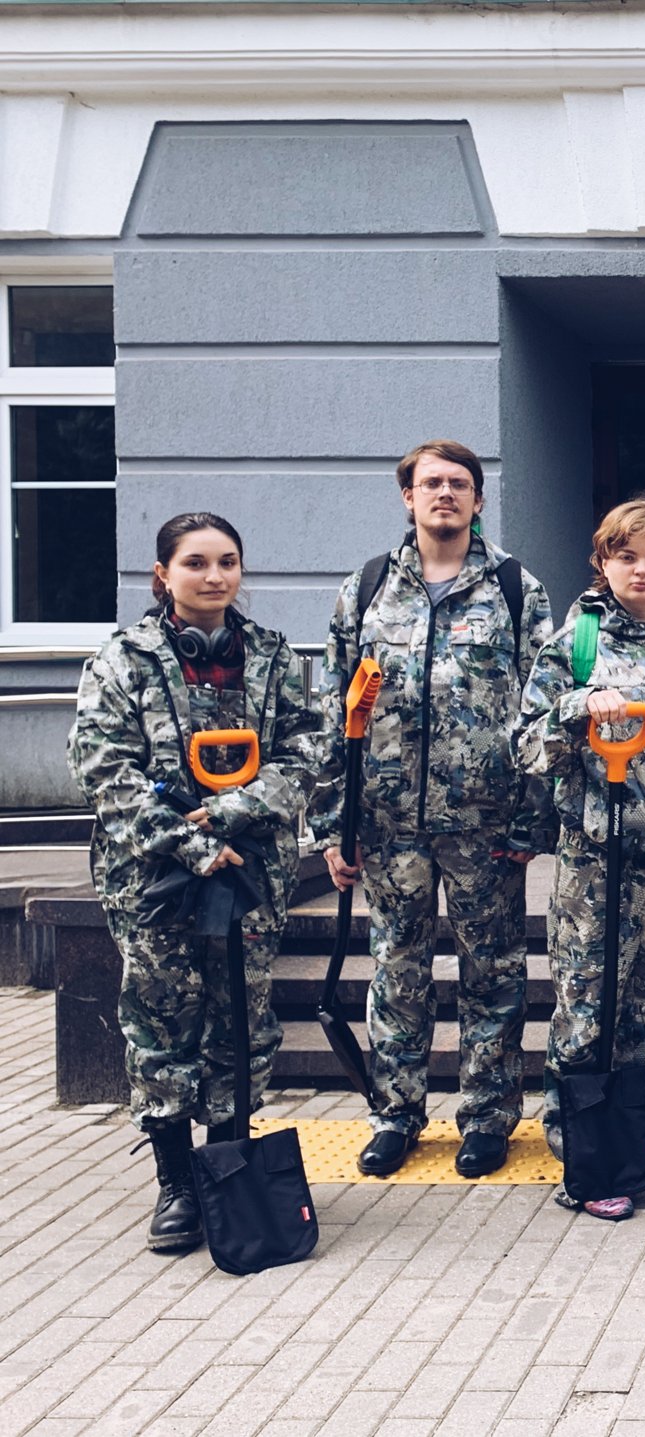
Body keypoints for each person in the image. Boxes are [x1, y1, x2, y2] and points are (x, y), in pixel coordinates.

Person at [69, 513, 325, 1253]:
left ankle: (229, 1164)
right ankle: (177, 1181)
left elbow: (307, 749)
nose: (215, 576)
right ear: (163, 574)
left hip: (250, 871)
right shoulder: (122, 660)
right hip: (155, 878)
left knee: (241, 1016)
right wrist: (190, 843)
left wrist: (236, 812)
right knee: (161, 1020)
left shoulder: (272, 656)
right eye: (196, 562)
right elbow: (103, 769)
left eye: (228, 562)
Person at [317, 440, 554, 1180]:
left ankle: (487, 1116)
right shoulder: (366, 588)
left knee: (493, 972)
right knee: (397, 971)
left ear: (478, 500)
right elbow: (331, 712)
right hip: (388, 825)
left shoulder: (515, 589)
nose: (444, 494)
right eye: (431, 483)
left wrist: (532, 818)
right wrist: (333, 822)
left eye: (458, 483)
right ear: (408, 497)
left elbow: (543, 708)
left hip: (485, 825)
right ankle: (396, 1114)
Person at [516, 499, 645, 1216]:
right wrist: (578, 710)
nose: (642, 570)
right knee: (587, 1010)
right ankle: (584, 1157)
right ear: (602, 562)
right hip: (597, 865)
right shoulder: (576, 645)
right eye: (626, 556)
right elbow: (526, 746)